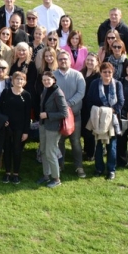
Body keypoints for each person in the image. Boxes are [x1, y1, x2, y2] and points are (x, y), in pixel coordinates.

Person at [85, 62, 124, 180]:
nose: (107, 74)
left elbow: (121, 101)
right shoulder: (95, 84)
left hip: (112, 119)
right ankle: (99, 168)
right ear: (100, 73)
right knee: (98, 145)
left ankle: (111, 170)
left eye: (109, 72)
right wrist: (100, 111)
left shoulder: (118, 84)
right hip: (98, 119)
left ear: (113, 73)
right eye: (104, 72)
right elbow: (89, 100)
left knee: (111, 145)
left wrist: (110, 111)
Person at [54, 50, 88, 179]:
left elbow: (81, 93)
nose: (63, 61)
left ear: (70, 61)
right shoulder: (53, 75)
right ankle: (60, 165)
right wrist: (62, 106)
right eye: (61, 59)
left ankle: (79, 167)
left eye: (65, 59)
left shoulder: (78, 75)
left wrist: (69, 103)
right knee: (60, 142)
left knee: (75, 142)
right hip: (59, 115)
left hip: (75, 115)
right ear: (58, 61)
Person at [0, 71, 32, 184]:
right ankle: (7, 172)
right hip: (7, 127)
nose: (19, 81)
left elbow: (28, 115)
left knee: (17, 150)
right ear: (12, 81)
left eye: (21, 79)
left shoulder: (26, 95)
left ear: (25, 81)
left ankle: (16, 173)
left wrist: (26, 131)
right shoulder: (6, 92)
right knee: (7, 149)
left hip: (20, 128)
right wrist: (3, 121)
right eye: (17, 79)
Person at [36, 70, 69, 188]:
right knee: (43, 151)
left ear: (54, 80)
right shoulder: (46, 90)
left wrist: (48, 115)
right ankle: (46, 175)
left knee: (51, 152)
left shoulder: (57, 93)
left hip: (53, 127)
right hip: (43, 125)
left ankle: (56, 179)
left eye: (48, 80)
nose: (46, 82)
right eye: (44, 80)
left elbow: (64, 113)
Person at [81, 52, 102, 161]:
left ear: (97, 62)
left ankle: (91, 153)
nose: (89, 62)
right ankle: (86, 150)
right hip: (82, 106)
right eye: (88, 60)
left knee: (90, 131)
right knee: (84, 129)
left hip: (92, 107)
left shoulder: (98, 76)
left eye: (92, 60)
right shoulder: (82, 72)